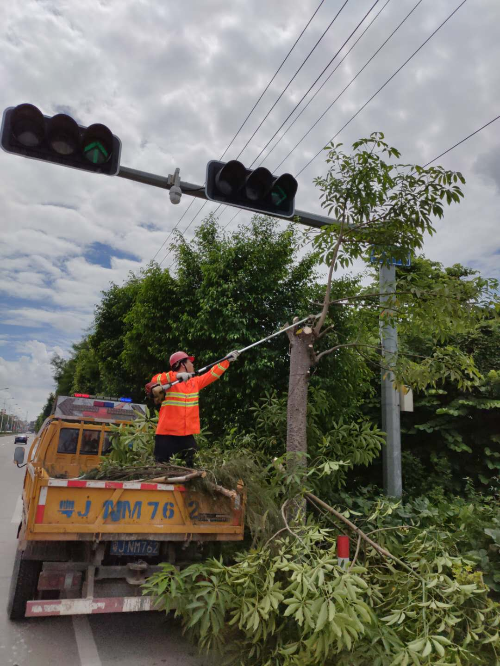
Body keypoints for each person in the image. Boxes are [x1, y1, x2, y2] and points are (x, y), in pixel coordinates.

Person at [145, 350, 239, 466]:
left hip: (186, 435)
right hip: (166, 435)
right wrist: (177, 376)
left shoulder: (195, 382)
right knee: (161, 468)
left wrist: (226, 361)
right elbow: (155, 379)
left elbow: (212, 374)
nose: (193, 365)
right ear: (181, 364)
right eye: (190, 362)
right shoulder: (169, 383)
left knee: (192, 467)